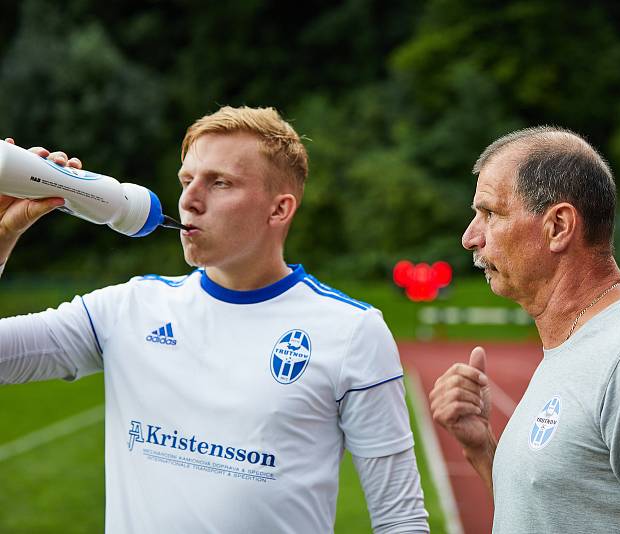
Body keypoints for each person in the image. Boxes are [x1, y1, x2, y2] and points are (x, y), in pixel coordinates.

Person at [0, 106, 430, 533]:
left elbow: (401, 521)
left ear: (279, 210)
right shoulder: (127, 309)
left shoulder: (353, 332)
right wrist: (2, 238)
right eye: (187, 180)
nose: (189, 199)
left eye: (219, 182)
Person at [429, 127, 620, 533]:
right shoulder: (576, 345)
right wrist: (482, 449)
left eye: (491, 214)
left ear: (558, 226)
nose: (470, 238)